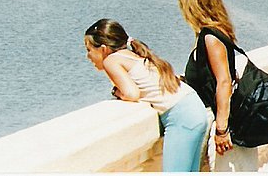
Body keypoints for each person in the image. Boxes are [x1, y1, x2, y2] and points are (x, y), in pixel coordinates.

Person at [84, 19, 208, 172]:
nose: (87, 56)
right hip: (192, 106)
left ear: (103, 49)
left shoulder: (111, 60)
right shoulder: (131, 55)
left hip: (181, 116)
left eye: (89, 50)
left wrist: (116, 92)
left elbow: (132, 93)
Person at [177, 0, 259, 172]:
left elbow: (224, 81)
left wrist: (221, 130)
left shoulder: (211, 37)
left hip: (216, 120)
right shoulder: (217, 33)